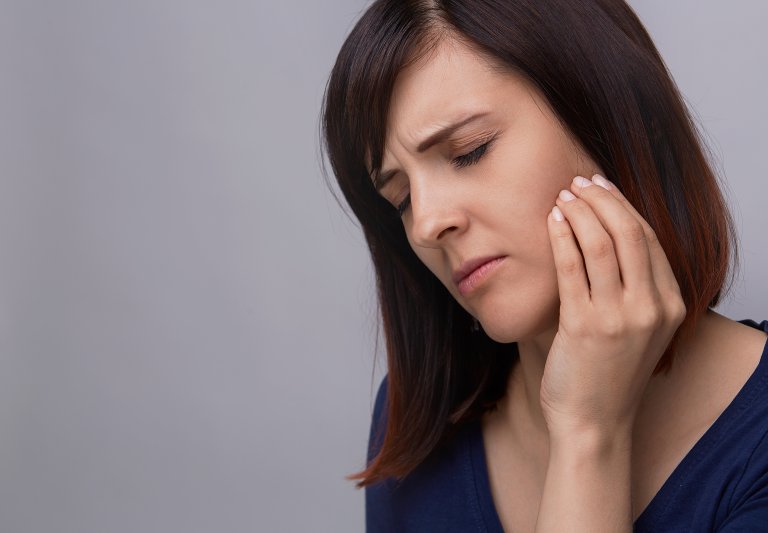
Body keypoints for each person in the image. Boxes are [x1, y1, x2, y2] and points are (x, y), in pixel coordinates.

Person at [320, 1, 768, 531]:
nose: (426, 224)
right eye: (401, 200)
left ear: (603, 115)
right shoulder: (417, 423)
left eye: (469, 151)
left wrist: (587, 435)